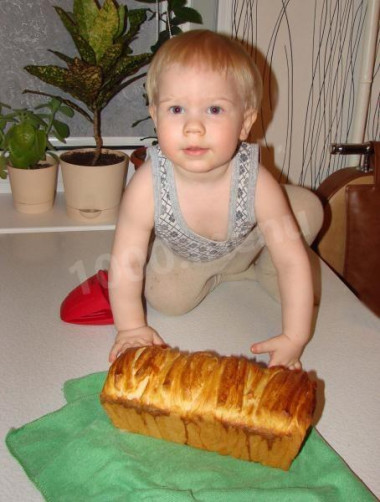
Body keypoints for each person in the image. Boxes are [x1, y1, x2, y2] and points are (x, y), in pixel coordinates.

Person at [108, 30, 323, 369]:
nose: (194, 127)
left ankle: (256, 266)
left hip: (250, 241)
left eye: (214, 109)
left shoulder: (258, 183)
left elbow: (292, 261)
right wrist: (131, 327)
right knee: (163, 297)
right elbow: (125, 263)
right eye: (176, 108)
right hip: (191, 256)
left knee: (308, 210)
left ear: (245, 123)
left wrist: (294, 337)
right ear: (155, 116)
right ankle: (226, 273)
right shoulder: (147, 185)